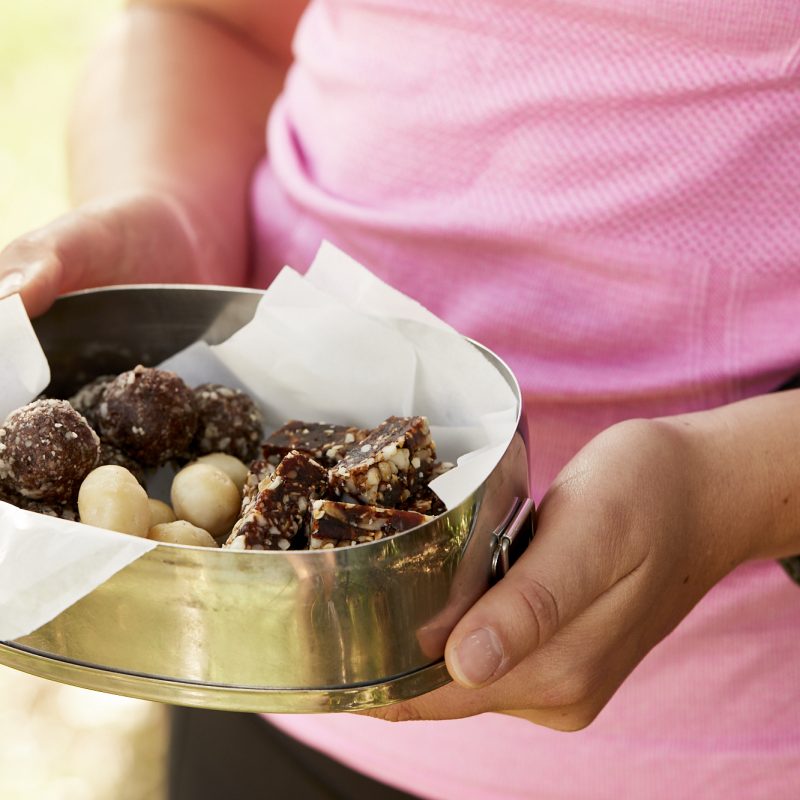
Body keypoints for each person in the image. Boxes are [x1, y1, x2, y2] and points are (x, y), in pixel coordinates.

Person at [2, 2, 799, 797]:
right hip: (253, 674)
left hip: (720, 739)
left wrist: (739, 489)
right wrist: (171, 221)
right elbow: (218, 22)